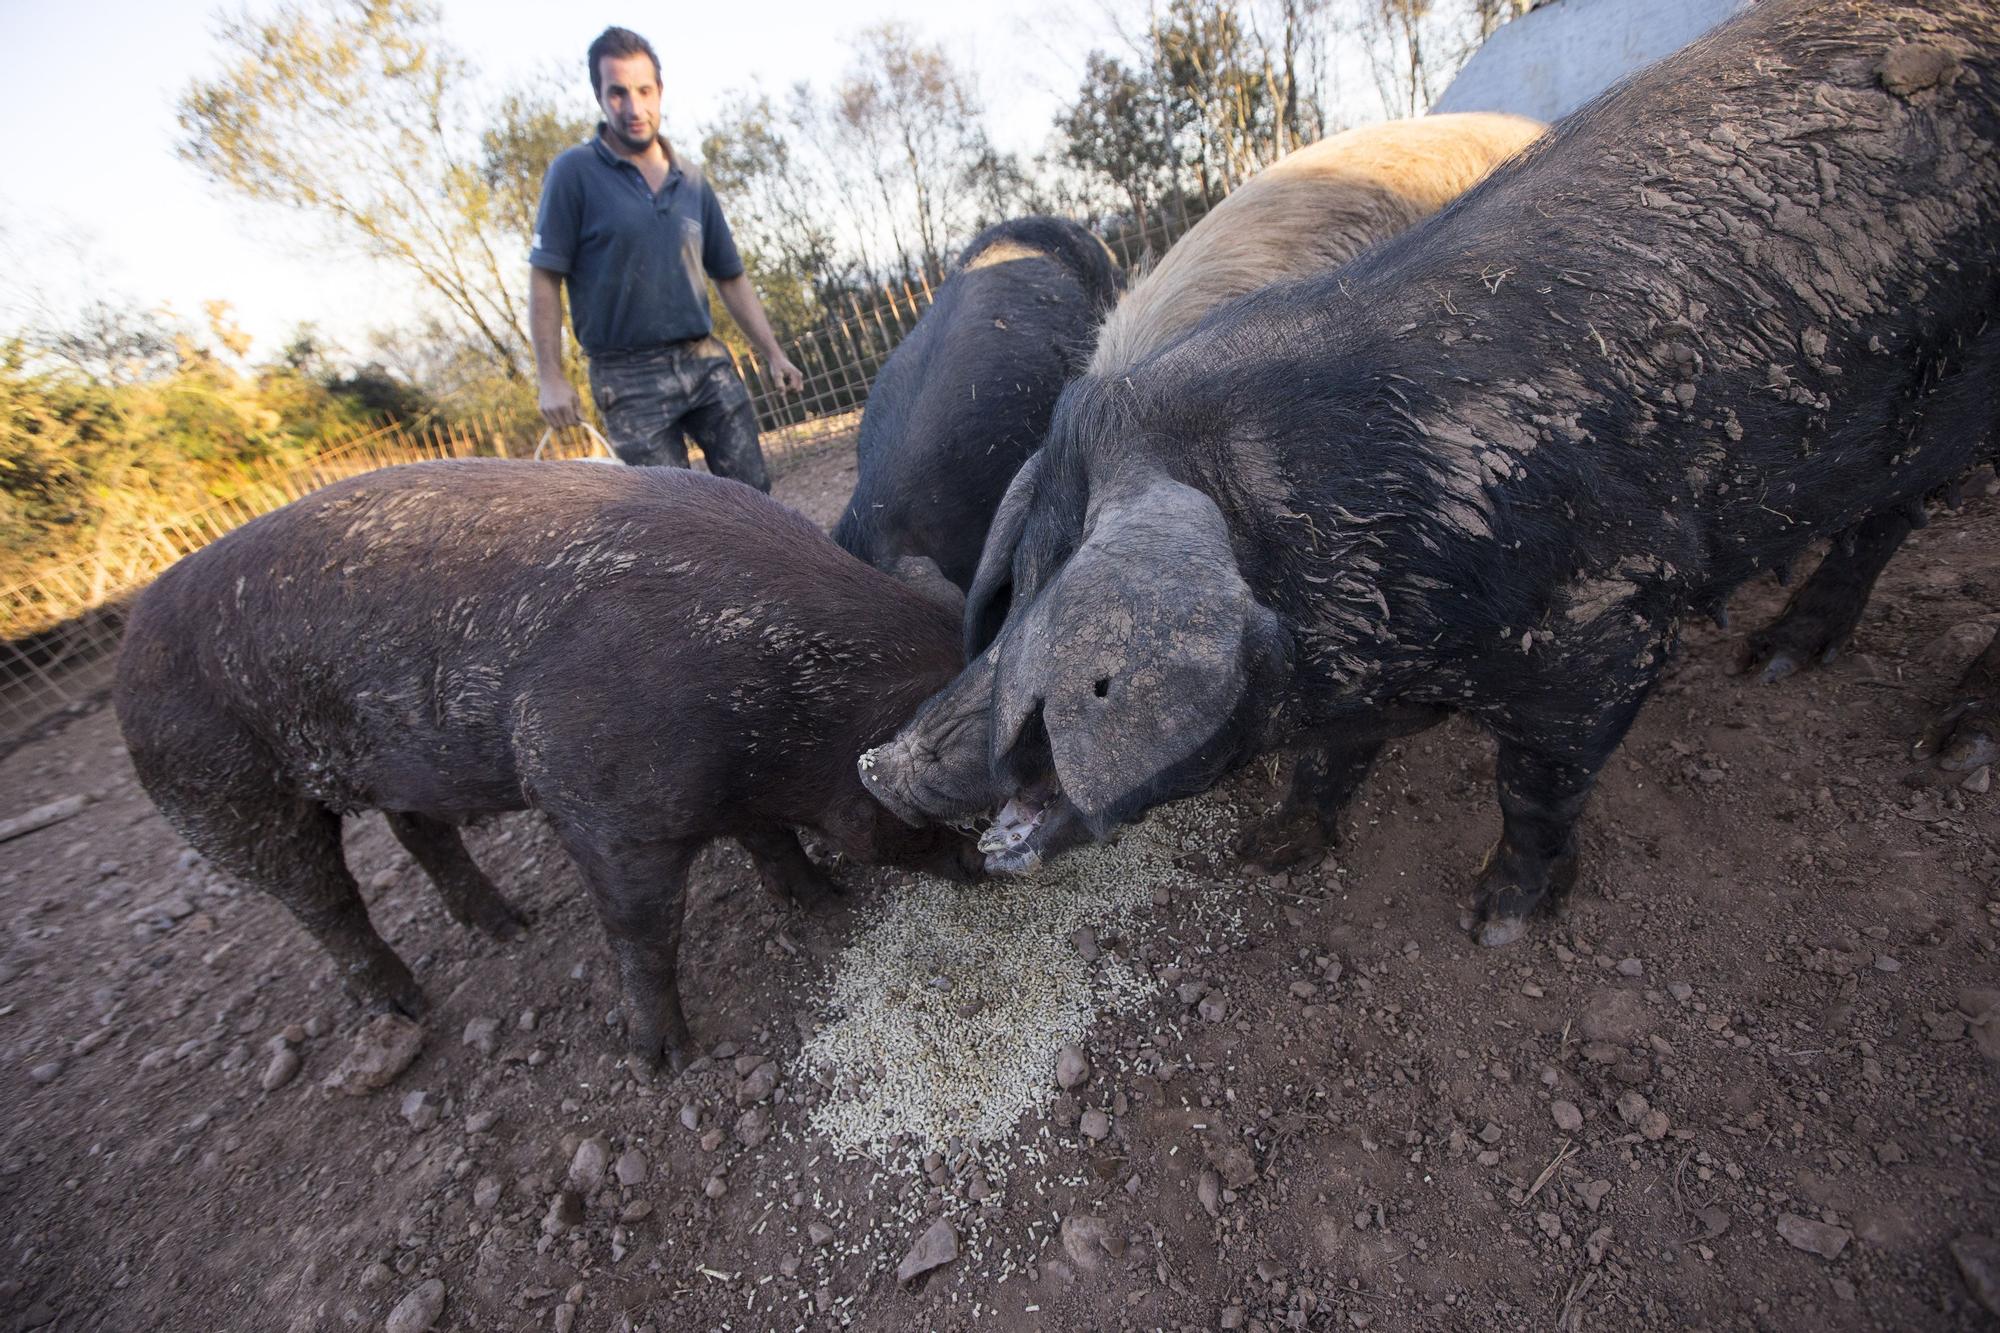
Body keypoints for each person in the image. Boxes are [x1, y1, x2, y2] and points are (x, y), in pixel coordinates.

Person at [528, 26, 804, 489]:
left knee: (754, 494)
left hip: (703, 356)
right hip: (626, 374)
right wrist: (550, 377)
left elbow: (730, 276)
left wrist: (773, 353)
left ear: (660, 90)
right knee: (671, 518)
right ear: (599, 96)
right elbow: (543, 279)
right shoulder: (573, 174)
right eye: (617, 93)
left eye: (643, 90)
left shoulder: (692, 180)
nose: (633, 108)